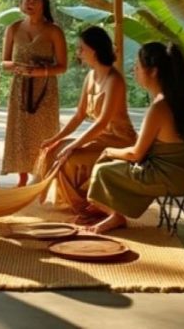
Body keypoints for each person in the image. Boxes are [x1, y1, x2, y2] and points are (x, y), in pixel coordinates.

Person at [84, 41, 184, 234]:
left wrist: (108, 151)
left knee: (102, 171)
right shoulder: (171, 100)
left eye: (138, 67)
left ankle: (115, 215)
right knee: (112, 165)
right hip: (182, 173)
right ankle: (114, 213)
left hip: (169, 177)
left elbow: (135, 154)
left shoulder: (159, 107)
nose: (134, 71)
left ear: (153, 71)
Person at [36, 26, 137, 221]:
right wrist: (55, 139)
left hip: (120, 140)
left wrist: (73, 145)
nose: (78, 53)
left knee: (70, 156)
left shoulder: (114, 80)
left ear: (95, 50)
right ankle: (80, 204)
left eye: (81, 48)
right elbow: (79, 115)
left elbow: (101, 123)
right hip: (102, 138)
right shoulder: (90, 76)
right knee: (52, 150)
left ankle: (90, 207)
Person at [1, 0, 67, 187]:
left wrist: (42, 71)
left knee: (44, 133)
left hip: (45, 91)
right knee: (20, 133)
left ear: (43, 3)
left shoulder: (54, 31)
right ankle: (21, 179)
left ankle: (43, 179)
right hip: (20, 88)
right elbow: (4, 62)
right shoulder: (13, 28)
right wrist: (18, 68)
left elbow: (63, 66)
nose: (30, 3)